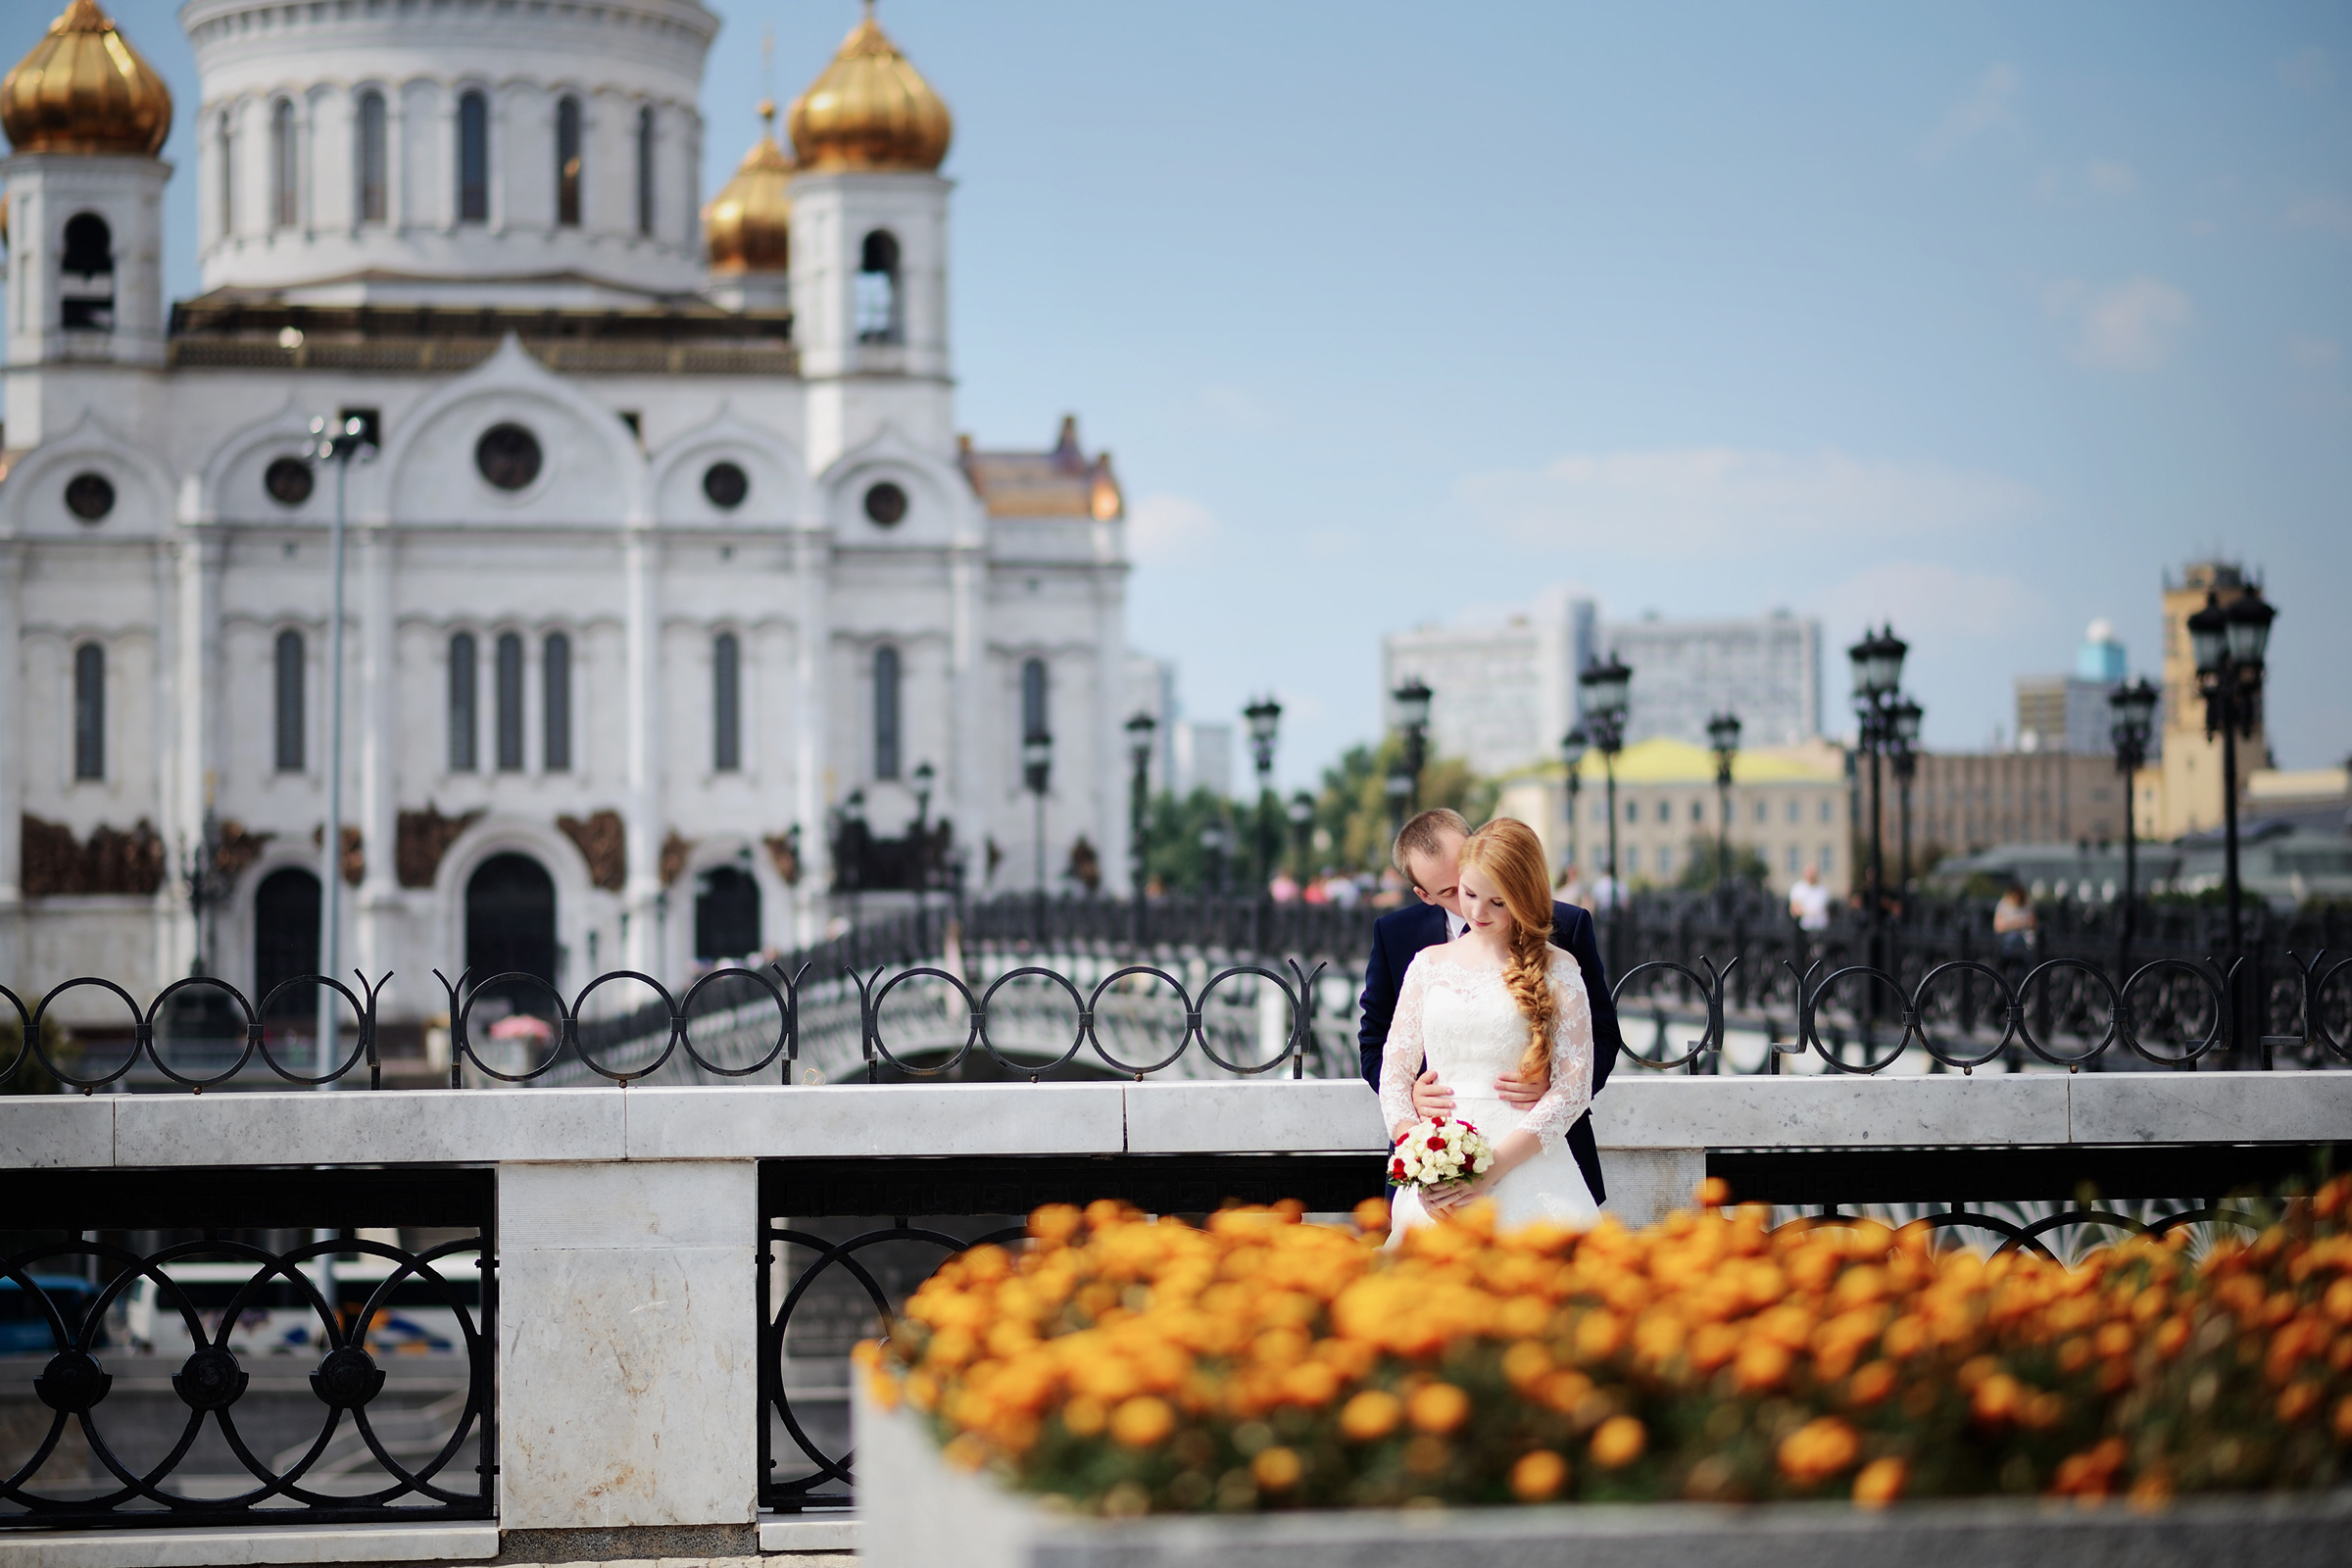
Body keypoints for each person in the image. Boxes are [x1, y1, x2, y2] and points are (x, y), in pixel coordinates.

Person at [1359, 808, 1623, 1206]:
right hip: (1436, 1161)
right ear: (1425, 895)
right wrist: (1419, 1139)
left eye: (1496, 898)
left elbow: (1599, 1041)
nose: (1475, 912)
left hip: (1537, 1159)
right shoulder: (1408, 946)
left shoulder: (1566, 931)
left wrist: (1550, 1077)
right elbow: (1377, 1047)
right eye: (1458, 893)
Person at [1788, 864, 1831, 932]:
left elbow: (1825, 909)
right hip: (1803, 928)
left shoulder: (1823, 890)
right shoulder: (1798, 888)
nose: (1811, 876)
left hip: (1820, 928)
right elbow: (1794, 910)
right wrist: (1809, 913)